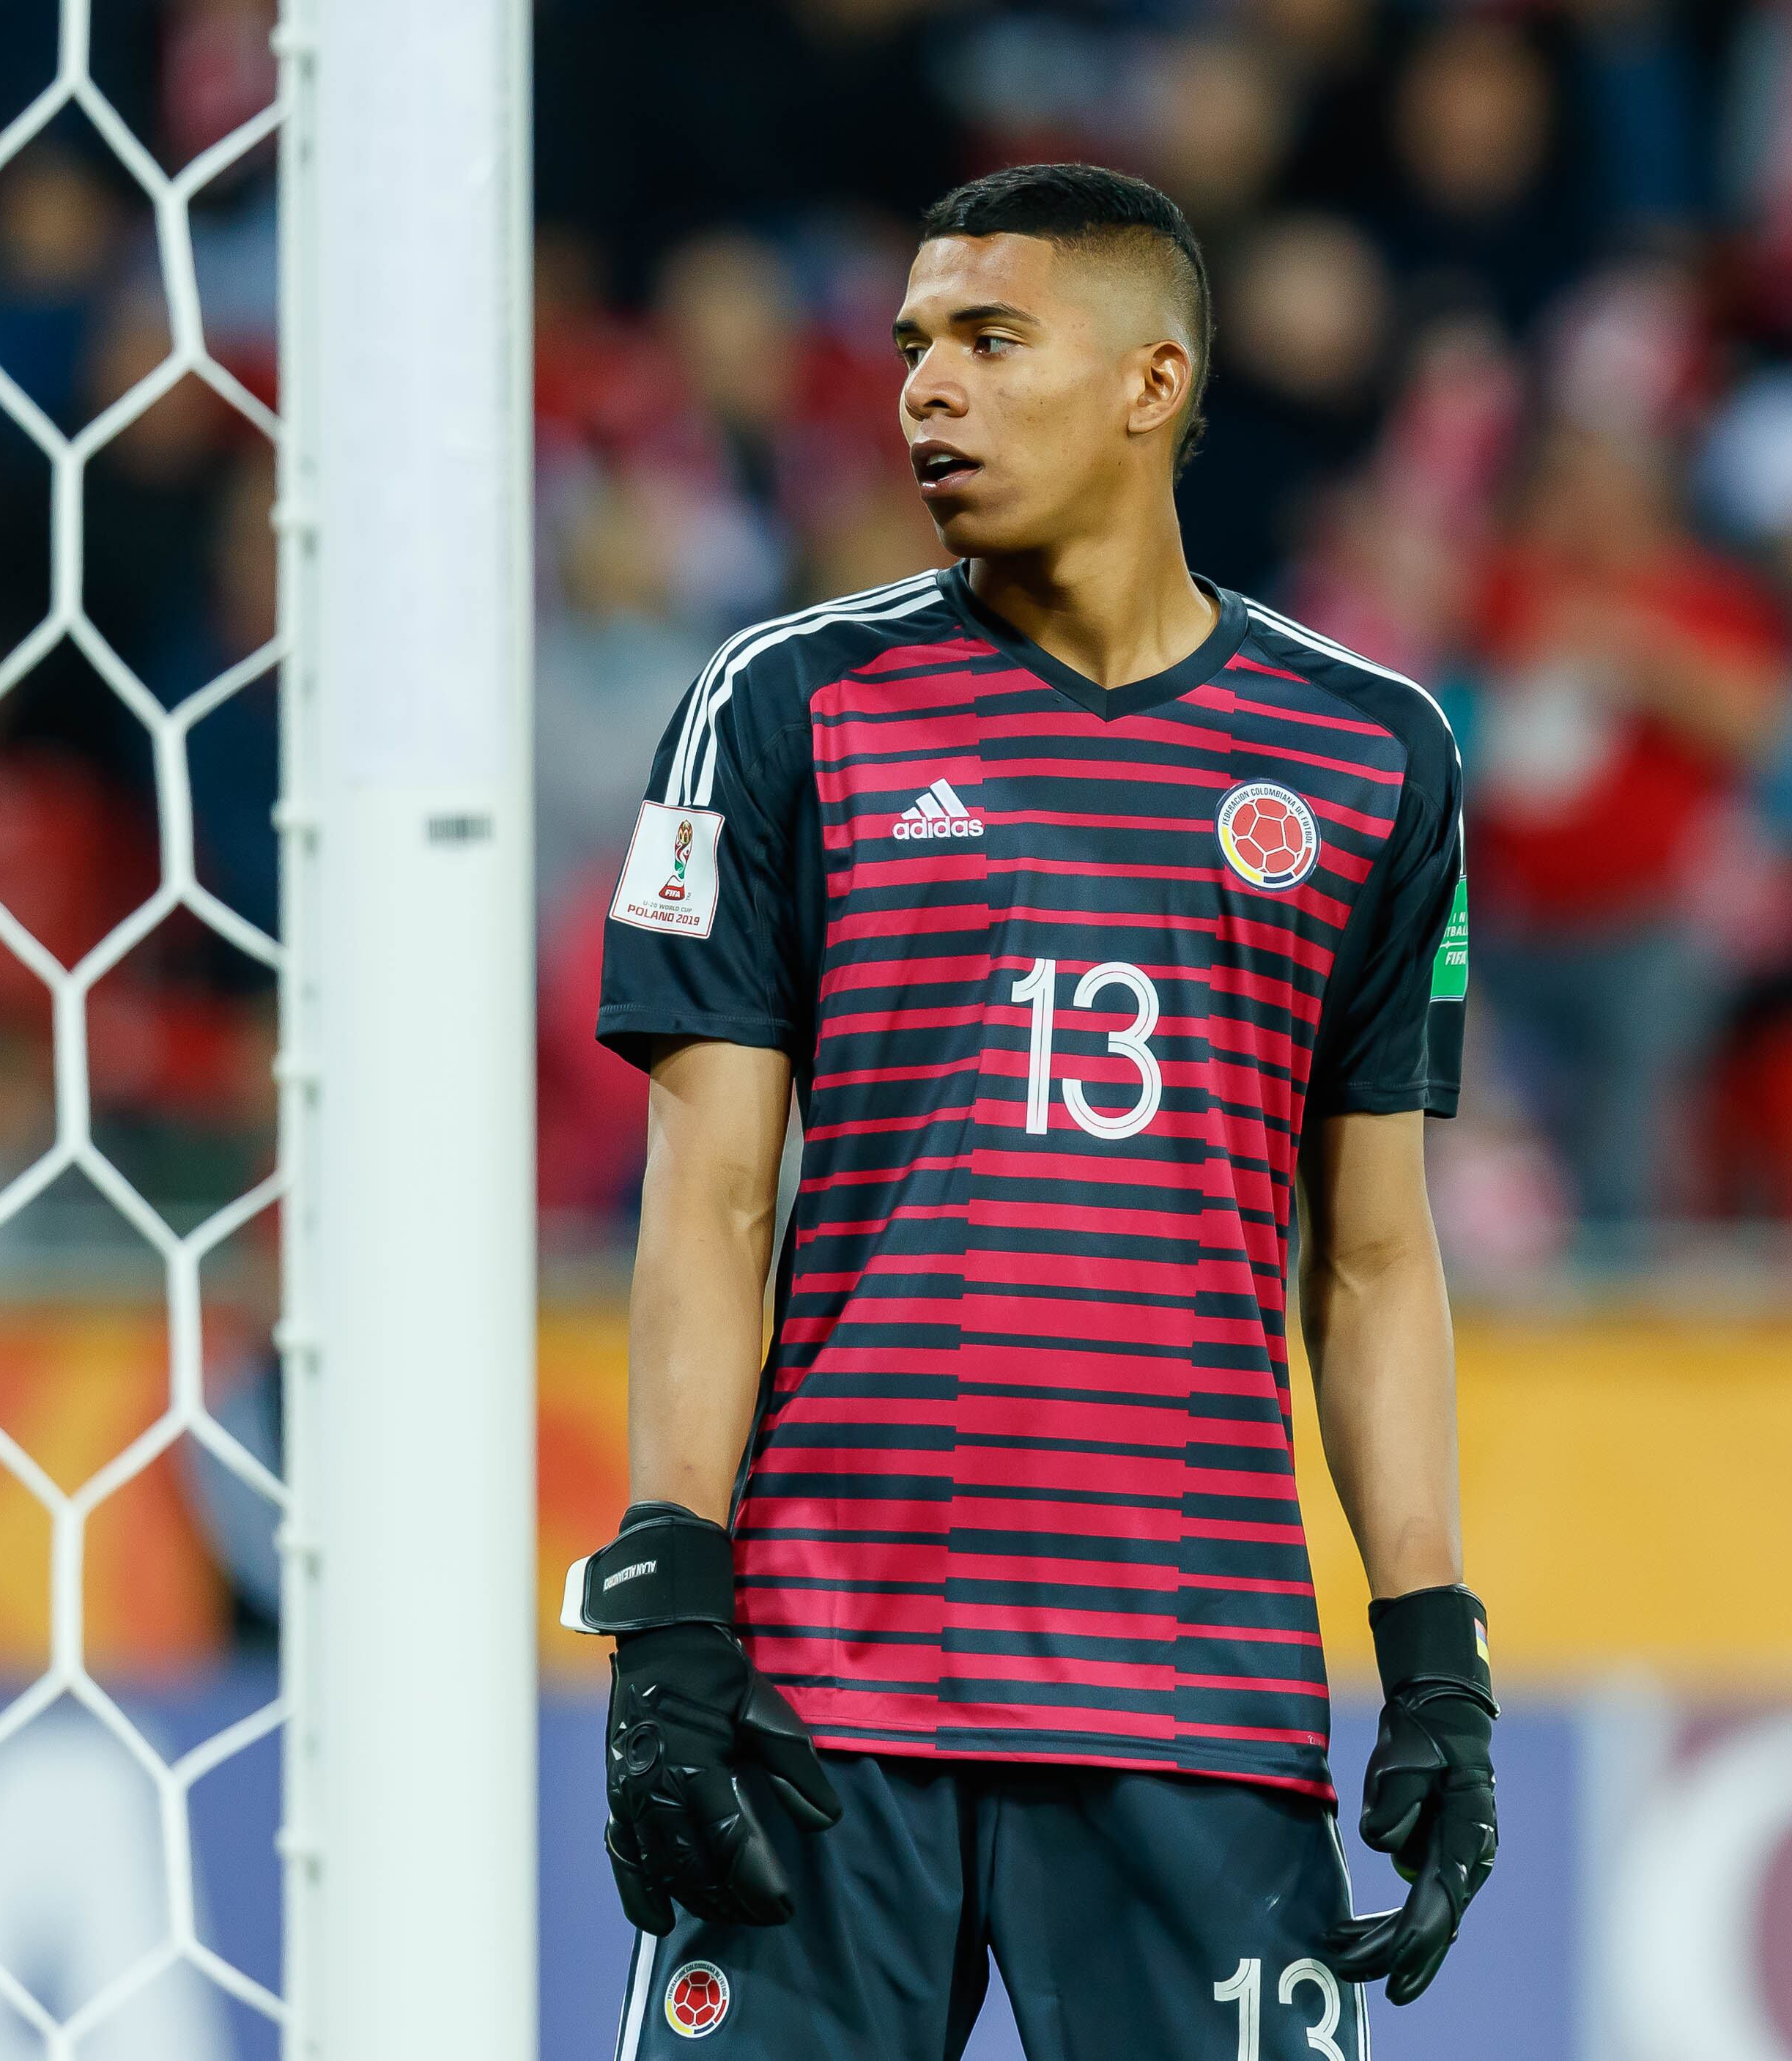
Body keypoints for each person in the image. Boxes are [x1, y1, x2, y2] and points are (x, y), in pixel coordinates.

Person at [562, 164, 1496, 2060]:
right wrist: (671, 1605)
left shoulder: (1373, 758)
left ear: (1153, 383)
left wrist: (1437, 1661)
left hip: (1200, 1701)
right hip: (833, 1697)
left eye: (991, 341)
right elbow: (710, 1196)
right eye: (913, 345)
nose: (927, 388)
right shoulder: (781, 706)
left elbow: (1380, 1257)